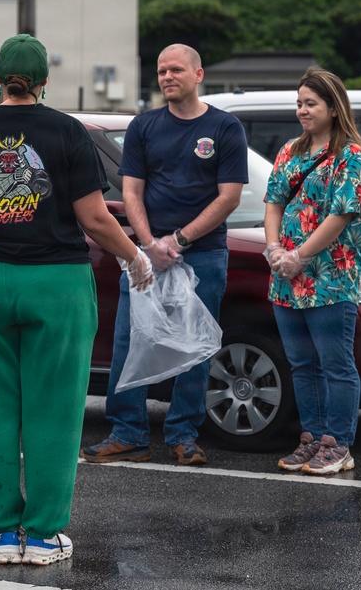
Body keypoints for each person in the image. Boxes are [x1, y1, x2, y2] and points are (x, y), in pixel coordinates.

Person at [0, 34, 153, 566]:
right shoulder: (66, 131)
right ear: (44, 81)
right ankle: (43, 535)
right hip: (56, 281)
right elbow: (94, 217)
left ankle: (3, 534)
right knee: (54, 408)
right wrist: (134, 257)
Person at [81, 44, 248, 466]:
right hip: (146, 255)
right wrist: (149, 244)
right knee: (130, 340)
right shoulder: (144, 126)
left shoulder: (225, 127)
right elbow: (131, 191)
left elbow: (229, 197)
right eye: (161, 71)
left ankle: (183, 435)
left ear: (198, 74)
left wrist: (179, 240)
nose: (167, 77)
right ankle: (127, 433)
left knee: (195, 347)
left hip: (204, 254)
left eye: (176, 70)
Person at [263, 68, 361, 476]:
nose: (302, 110)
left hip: (330, 279)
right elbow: (273, 202)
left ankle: (338, 444)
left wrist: (301, 256)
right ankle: (311, 438)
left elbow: (340, 216)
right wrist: (274, 248)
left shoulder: (352, 157)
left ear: (334, 107)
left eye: (311, 103)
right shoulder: (290, 151)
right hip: (286, 279)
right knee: (301, 364)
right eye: (299, 103)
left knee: (335, 364)